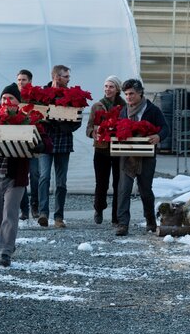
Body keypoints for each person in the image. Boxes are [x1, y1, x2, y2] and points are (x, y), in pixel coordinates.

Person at [0, 90, 51, 267]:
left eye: (10, 98)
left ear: (18, 102)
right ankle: (5, 244)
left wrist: (41, 144)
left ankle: (5, 252)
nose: (6, 100)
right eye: (3, 97)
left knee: (10, 214)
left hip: (14, 177)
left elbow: (47, 142)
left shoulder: (27, 120)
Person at [115, 78, 170, 236]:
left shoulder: (152, 110)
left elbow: (165, 128)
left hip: (146, 156)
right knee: (124, 190)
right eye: (126, 94)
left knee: (145, 190)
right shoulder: (123, 111)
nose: (129, 97)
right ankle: (122, 224)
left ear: (140, 93)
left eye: (131, 93)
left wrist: (159, 136)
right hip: (127, 156)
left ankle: (150, 222)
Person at [37, 65, 81, 228]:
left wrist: (64, 125)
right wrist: (46, 120)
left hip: (64, 141)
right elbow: (32, 113)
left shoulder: (72, 96)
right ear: (56, 77)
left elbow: (77, 120)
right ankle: (43, 213)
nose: (68, 79)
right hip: (46, 141)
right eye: (65, 77)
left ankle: (58, 217)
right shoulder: (41, 94)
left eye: (68, 77)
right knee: (44, 177)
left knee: (61, 182)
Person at [87, 76, 126, 225]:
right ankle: (99, 209)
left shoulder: (124, 106)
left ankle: (116, 215)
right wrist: (93, 133)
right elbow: (89, 128)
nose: (107, 89)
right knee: (101, 183)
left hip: (118, 149)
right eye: (106, 86)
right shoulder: (97, 106)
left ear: (117, 89)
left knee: (119, 183)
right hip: (101, 149)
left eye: (111, 87)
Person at [15, 69, 39, 220]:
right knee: (21, 176)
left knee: (35, 175)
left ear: (30, 81)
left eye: (23, 79)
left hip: (33, 142)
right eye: (19, 79)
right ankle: (24, 209)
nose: (20, 82)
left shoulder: (35, 98)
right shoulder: (13, 96)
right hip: (18, 142)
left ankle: (34, 205)